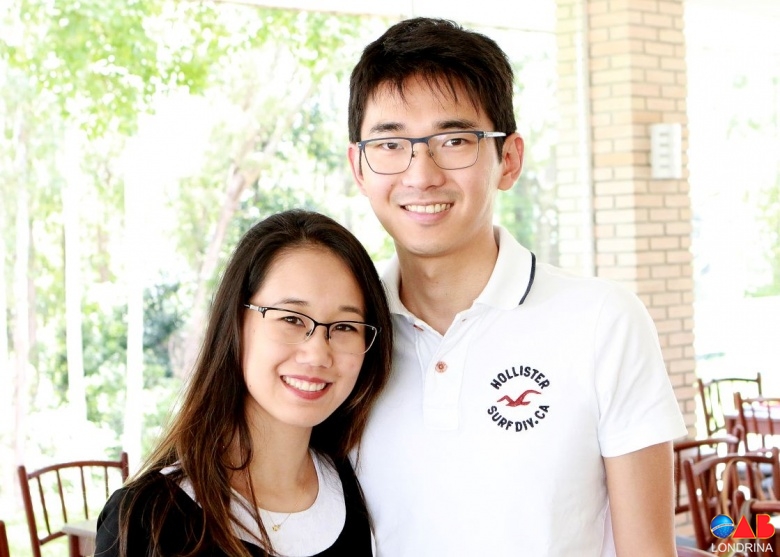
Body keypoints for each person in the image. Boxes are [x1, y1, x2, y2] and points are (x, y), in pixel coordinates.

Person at [346, 17, 687, 557]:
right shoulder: (341, 337)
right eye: (390, 144)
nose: (420, 174)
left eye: (454, 140)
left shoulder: (604, 321)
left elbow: (647, 550)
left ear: (509, 160)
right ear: (359, 167)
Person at [94, 209, 392, 557]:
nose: (317, 354)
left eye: (344, 327)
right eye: (292, 319)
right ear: (235, 322)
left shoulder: (361, 490)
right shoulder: (147, 519)